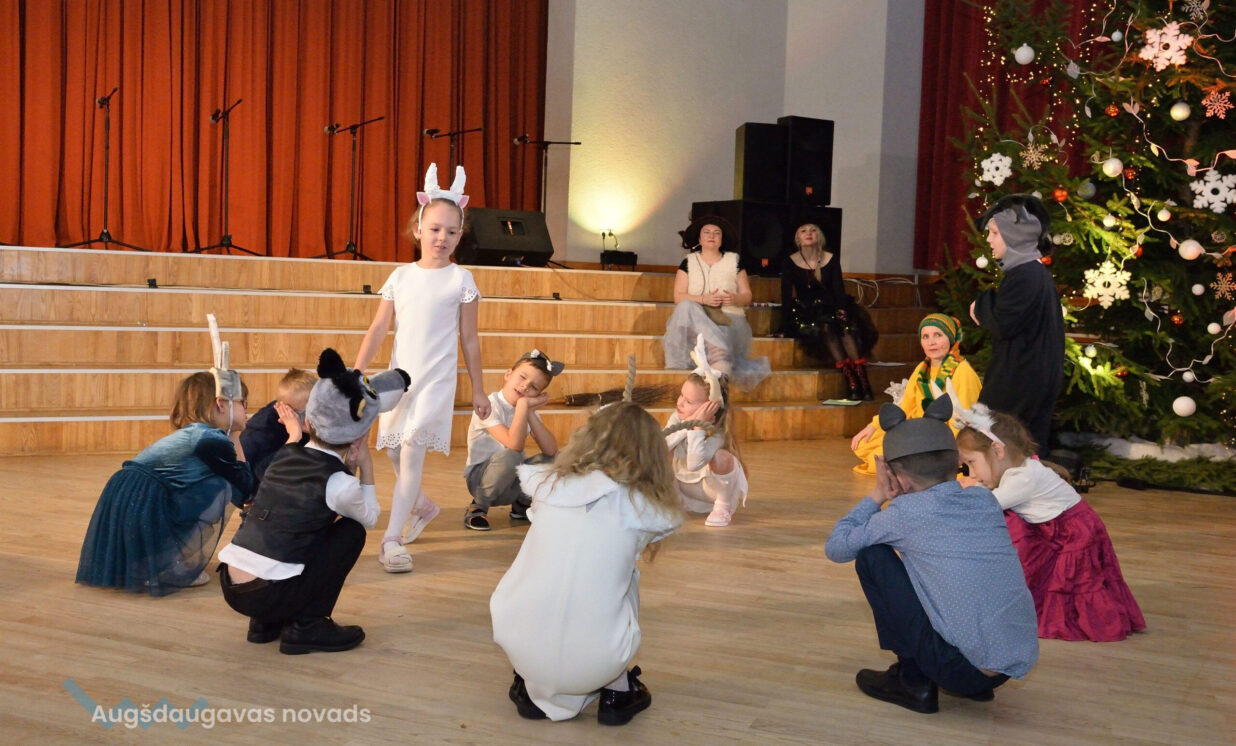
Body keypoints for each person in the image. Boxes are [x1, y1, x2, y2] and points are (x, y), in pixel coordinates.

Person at [825, 395, 1038, 714]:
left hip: (960, 671)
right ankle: (970, 676)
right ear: (956, 462)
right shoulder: (983, 500)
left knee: (873, 556)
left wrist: (877, 494)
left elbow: (836, 547)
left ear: (899, 477)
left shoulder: (905, 514)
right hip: (1006, 667)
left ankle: (913, 682)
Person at [490, 402, 683, 725]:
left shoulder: (549, 486)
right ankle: (617, 691)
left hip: (519, 646)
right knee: (625, 575)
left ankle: (528, 682)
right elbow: (665, 518)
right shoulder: (642, 507)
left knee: (547, 561)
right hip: (597, 662)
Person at [218, 348, 409, 654]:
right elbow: (370, 517)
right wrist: (366, 465)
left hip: (232, 586)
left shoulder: (285, 453)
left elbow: (300, 451)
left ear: (308, 421)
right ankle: (308, 625)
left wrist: (297, 433)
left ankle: (264, 624)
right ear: (357, 436)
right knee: (351, 531)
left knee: (295, 524)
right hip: (266, 593)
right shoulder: (339, 483)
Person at [354, 164, 491, 573]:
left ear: (460, 236)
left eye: (451, 231)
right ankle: (424, 506)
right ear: (418, 230)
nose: (441, 238)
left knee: (411, 451)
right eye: (434, 229)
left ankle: (391, 540)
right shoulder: (400, 276)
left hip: (436, 381)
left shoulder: (462, 279)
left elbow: (470, 339)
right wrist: (357, 371)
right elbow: (379, 327)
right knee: (394, 451)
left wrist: (479, 389)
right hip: (399, 380)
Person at [955, 403, 1146, 642]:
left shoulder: (1022, 479)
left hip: (1074, 530)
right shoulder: (1017, 469)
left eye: (971, 463)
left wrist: (959, 494)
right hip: (1057, 525)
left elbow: (984, 507)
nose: (971, 472)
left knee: (1073, 581)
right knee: (1052, 576)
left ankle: (1090, 621)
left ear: (997, 451)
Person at [76, 371, 255, 595]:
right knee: (220, 487)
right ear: (220, 404)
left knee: (213, 483)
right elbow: (245, 488)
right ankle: (164, 565)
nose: (247, 411)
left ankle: (154, 562)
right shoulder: (211, 440)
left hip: (128, 495)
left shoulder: (196, 433)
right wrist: (235, 434)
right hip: (145, 501)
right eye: (243, 403)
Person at [970, 194, 1064, 457]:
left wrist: (980, 305)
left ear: (1014, 236)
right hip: (1032, 374)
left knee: (1001, 442)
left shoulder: (1025, 274)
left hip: (1021, 378)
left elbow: (1003, 324)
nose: (989, 240)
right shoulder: (1032, 272)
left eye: (995, 233)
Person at [850, 314, 981, 475]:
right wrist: (873, 426)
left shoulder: (962, 371)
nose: (931, 342)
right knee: (865, 444)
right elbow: (905, 404)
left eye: (938, 335)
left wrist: (954, 454)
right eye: (926, 337)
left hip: (942, 436)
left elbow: (964, 419)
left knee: (881, 462)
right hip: (917, 429)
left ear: (951, 338)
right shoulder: (922, 368)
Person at [661, 215, 771, 391]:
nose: (711, 236)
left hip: (727, 320)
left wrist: (736, 299)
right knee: (686, 306)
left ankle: (719, 367)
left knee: (718, 340)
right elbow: (678, 297)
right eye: (707, 232)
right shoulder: (688, 262)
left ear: (722, 239)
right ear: (699, 239)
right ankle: (719, 353)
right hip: (696, 322)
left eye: (716, 233)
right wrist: (703, 299)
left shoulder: (734, 261)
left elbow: (747, 295)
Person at [463, 349, 563, 530]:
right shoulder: (489, 405)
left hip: (511, 483)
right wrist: (524, 405)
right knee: (512, 455)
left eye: (534, 387)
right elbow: (514, 445)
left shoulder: (526, 409)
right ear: (508, 374)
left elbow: (551, 450)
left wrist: (529, 411)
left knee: (558, 458)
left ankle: (521, 503)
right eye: (522, 377)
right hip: (480, 480)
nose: (525, 387)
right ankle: (478, 506)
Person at [780, 221, 878, 399]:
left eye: (813, 230)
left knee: (845, 325)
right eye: (803, 231)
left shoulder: (830, 258)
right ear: (798, 238)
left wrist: (841, 309)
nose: (809, 233)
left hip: (831, 304)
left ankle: (862, 378)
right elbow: (786, 295)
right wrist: (783, 326)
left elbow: (838, 289)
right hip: (807, 310)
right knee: (826, 327)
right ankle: (851, 380)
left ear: (819, 237)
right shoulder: (790, 262)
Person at [664, 335, 747, 527]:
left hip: (710, 493)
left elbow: (694, 464)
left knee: (722, 457)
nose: (680, 403)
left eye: (689, 401)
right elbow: (661, 445)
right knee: (662, 451)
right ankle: (671, 501)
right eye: (681, 396)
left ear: (711, 408)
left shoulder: (717, 432)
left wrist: (698, 428)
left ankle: (722, 507)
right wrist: (688, 424)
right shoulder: (677, 417)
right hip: (685, 492)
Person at [240, 367, 317, 486]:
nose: (310, 418)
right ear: (285, 410)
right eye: (304, 413)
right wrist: (294, 436)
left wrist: (315, 433)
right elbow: (269, 475)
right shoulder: (263, 430)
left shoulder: (305, 414)